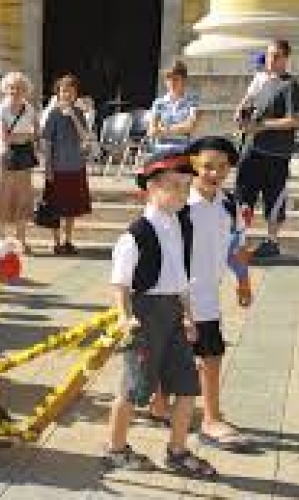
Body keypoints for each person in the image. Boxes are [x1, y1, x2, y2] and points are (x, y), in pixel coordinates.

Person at [104, 150, 217, 477]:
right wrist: (124, 317)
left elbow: (180, 280)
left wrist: (189, 316)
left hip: (173, 313)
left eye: (185, 186)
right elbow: (120, 284)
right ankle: (115, 447)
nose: (182, 193)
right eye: (174, 186)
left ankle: (177, 450)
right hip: (145, 312)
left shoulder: (176, 226)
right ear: (151, 188)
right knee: (133, 386)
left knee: (186, 384)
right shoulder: (135, 235)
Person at [147, 136, 254, 451]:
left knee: (205, 354)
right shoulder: (178, 204)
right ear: (192, 164)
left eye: (222, 167)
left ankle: (191, 411)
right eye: (207, 166)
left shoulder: (230, 204)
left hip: (207, 295)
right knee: (194, 354)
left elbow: (236, 248)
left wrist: (243, 281)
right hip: (175, 295)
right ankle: (199, 415)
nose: (214, 173)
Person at [235, 39, 299, 259]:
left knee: (273, 198)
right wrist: (241, 112)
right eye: (269, 55)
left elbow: (293, 120)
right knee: (244, 195)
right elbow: (250, 106)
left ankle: (272, 241)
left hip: (275, 153)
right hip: (251, 149)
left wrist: (261, 126)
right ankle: (239, 240)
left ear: (286, 58)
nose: (271, 59)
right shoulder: (261, 81)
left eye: (277, 56)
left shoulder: (290, 84)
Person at [0, 71, 39, 253]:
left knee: (23, 197)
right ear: (5, 89)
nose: (15, 91)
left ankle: (21, 240)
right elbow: (3, 137)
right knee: (1, 196)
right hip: (5, 156)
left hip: (24, 156)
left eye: (19, 88)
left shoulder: (30, 109)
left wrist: (21, 136)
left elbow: (36, 133)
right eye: (11, 88)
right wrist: (23, 136)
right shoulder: (0, 108)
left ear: (25, 90)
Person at [40, 74, 92, 254]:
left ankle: (68, 240)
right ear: (58, 93)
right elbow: (47, 143)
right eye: (63, 91)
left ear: (76, 93)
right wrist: (47, 168)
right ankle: (56, 243)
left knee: (71, 207)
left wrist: (74, 117)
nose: (67, 94)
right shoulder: (53, 114)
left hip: (75, 166)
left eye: (71, 91)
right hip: (58, 167)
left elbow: (85, 137)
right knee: (55, 207)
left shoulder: (79, 113)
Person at [148, 61, 200, 154]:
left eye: (175, 79)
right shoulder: (158, 103)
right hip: (160, 149)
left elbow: (190, 126)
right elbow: (152, 130)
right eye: (168, 79)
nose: (171, 83)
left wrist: (164, 129)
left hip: (183, 148)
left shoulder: (192, 101)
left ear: (184, 80)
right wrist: (178, 128)